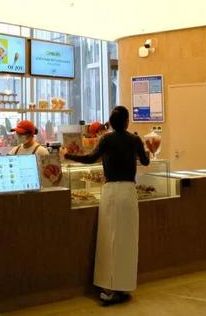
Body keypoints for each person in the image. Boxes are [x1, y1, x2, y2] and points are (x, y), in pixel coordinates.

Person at [62, 106, 149, 305]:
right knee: (127, 240)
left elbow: (90, 158)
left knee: (109, 239)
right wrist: (142, 149)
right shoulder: (135, 139)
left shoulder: (106, 139)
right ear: (127, 121)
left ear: (110, 123)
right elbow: (145, 161)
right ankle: (124, 286)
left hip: (111, 191)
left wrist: (68, 155)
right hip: (129, 192)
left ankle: (109, 289)